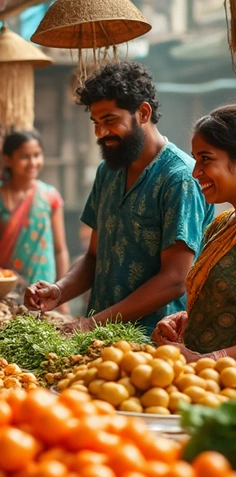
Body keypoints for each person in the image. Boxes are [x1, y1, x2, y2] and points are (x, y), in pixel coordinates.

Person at [25, 62, 214, 335]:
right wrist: (59, 290)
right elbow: (93, 257)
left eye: (110, 120)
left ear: (143, 113)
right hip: (100, 340)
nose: (100, 133)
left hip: (156, 346)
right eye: (96, 123)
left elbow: (174, 280)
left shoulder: (180, 178)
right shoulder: (108, 171)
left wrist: (92, 323)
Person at [152, 105, 236, 361]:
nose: (195, 172)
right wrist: (182, 320)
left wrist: (208, 360)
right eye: (195, 159)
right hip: (200, 384)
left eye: (206, 159)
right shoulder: (221, 226)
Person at [0, 131, 70, 302]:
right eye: (24, 156)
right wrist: (8, 277)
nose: (32, 162)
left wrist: (62, 297)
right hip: (6, 293)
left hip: (44, 292)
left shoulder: (50, 197)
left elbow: (60, 251)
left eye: (37, 155)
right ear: (8, 160)